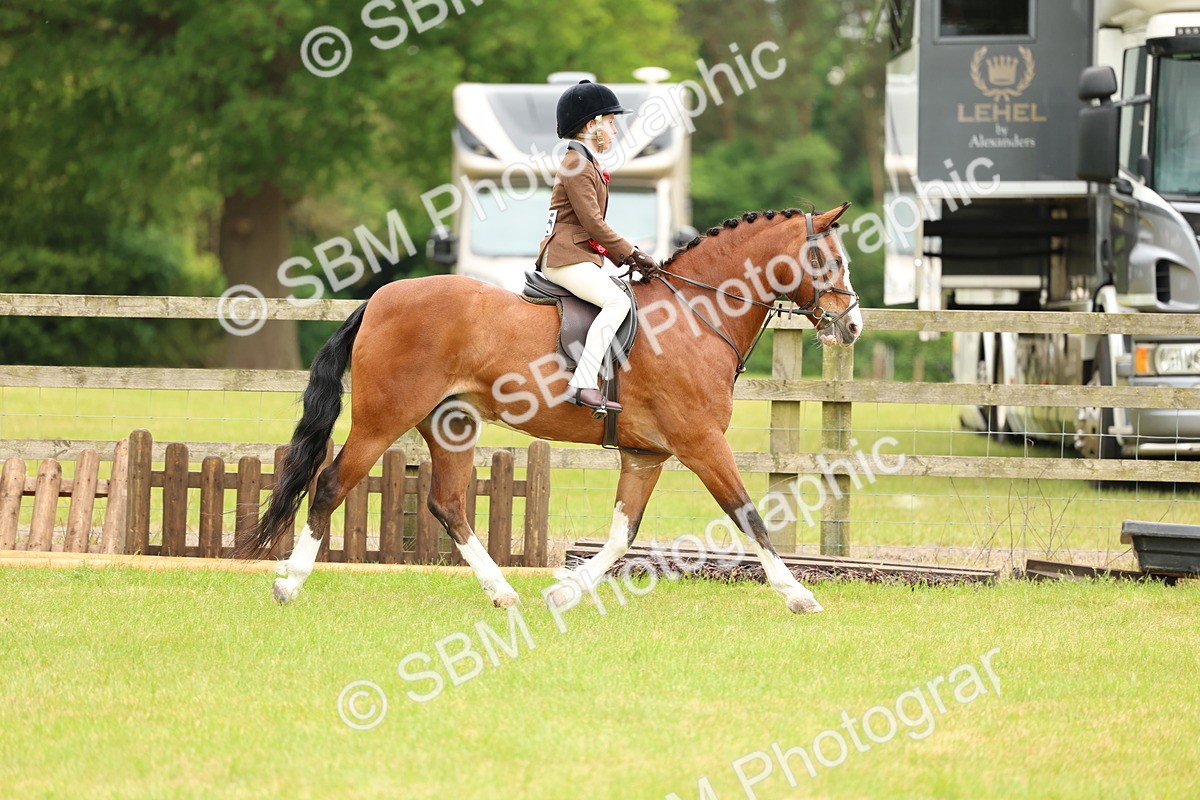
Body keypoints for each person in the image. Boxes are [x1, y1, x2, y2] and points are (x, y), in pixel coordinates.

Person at [535, 79, 660, 413]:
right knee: (617, 302)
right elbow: (592, 222)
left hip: (576, 254)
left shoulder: (585, 162)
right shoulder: (576, 164)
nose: (615, 131)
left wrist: (627, 255)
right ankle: (582, 382)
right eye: (611, 122)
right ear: (592, 125)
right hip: (564, 257)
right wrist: (631, 253)